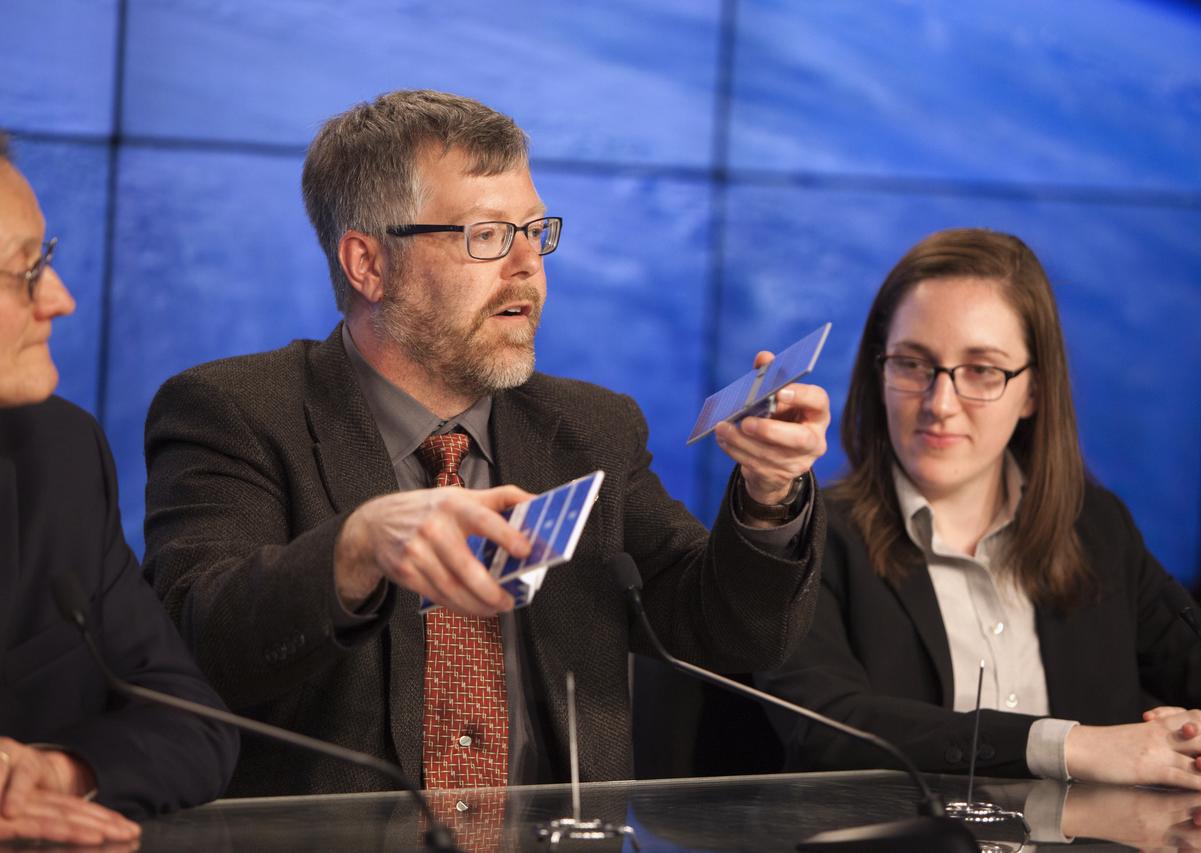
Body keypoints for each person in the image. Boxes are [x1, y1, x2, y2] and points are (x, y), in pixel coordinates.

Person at [142, 90, 828, 813]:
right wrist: (356, 549)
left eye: (535, 230)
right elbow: (198, 642)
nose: (528, 265)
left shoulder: (591, 427)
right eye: (489, 235)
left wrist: (769, 494)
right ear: (368, 263)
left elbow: (729, 633)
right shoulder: (236, 412)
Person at [757, 227, 1201, 791]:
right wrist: (1073, 746)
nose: (940, 403)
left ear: (1033, 391)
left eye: (982, 370)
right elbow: (827, 729)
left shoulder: (1097, 529)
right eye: (912, 364)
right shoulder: (803, 537)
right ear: (878, 373)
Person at [0, 132, 238, 845]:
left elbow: (194, 725)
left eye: (46, 260)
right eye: (22, 272)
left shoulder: (59, 455)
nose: (61, 300)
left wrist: (54, 771)